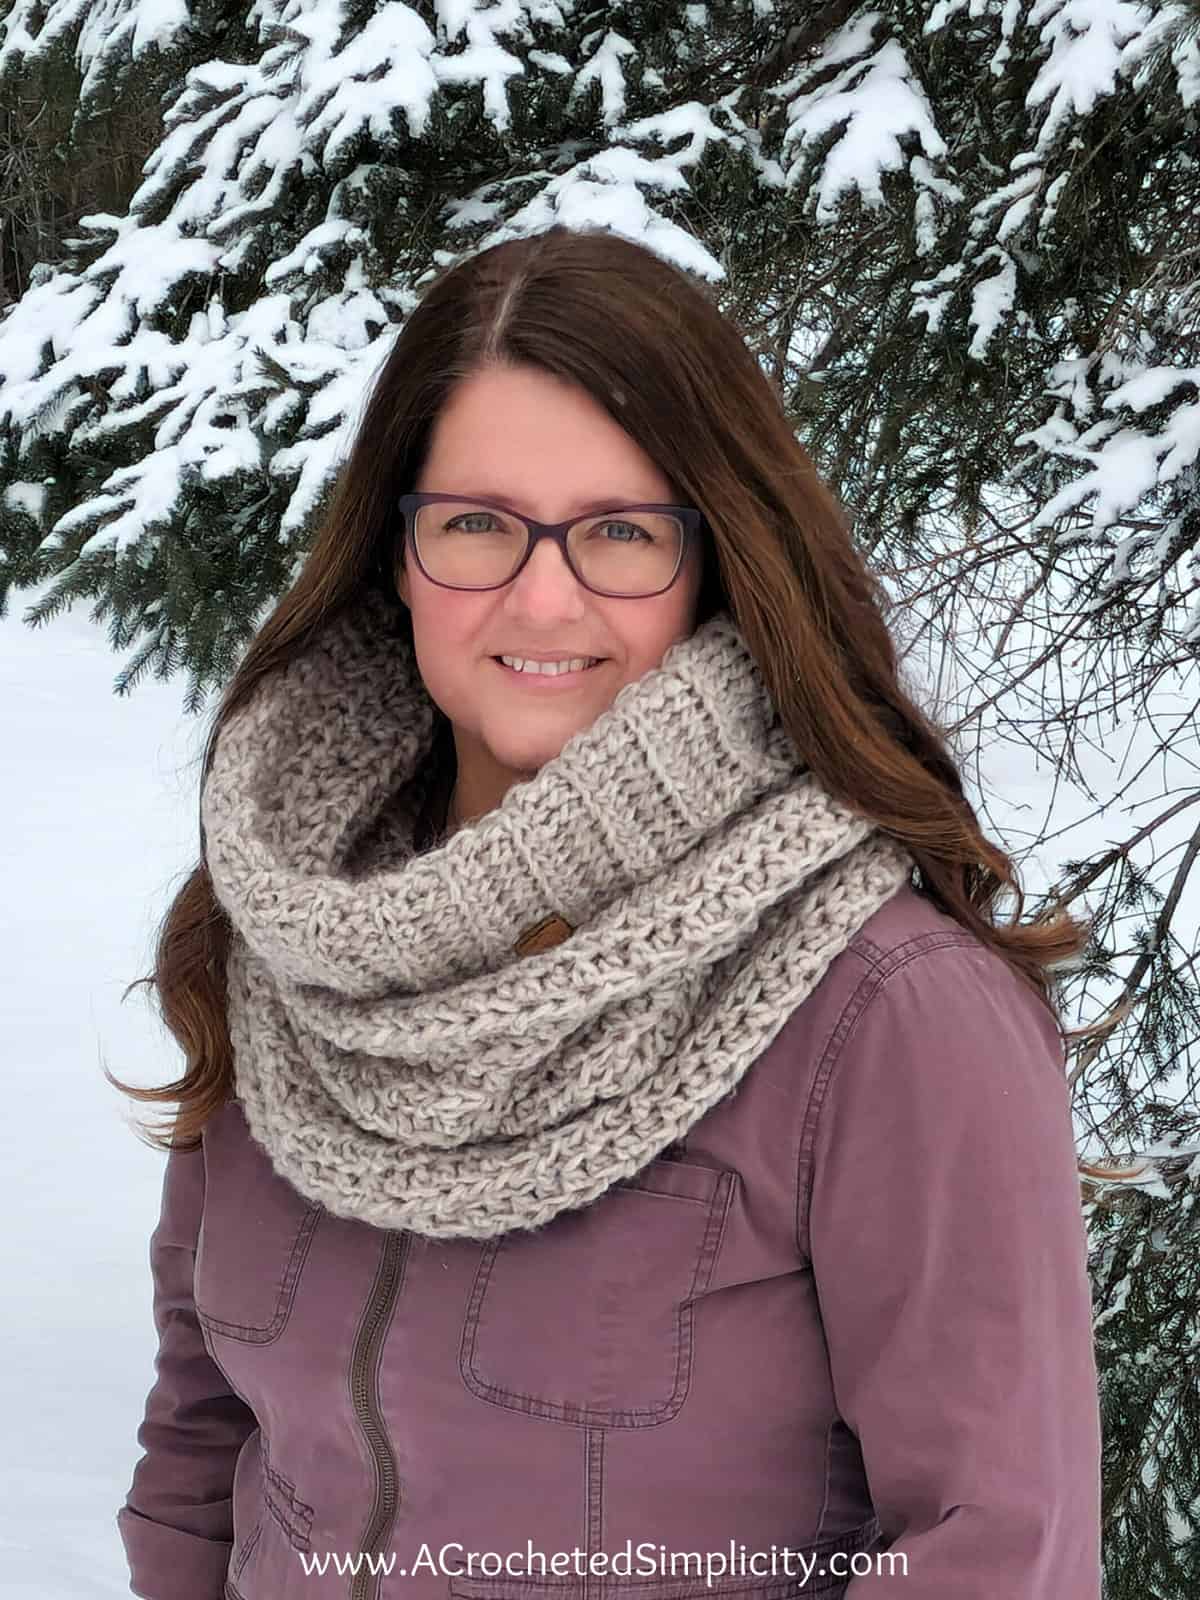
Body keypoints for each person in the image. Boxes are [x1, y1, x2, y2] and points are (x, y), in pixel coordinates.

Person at [112, 224, 1104, 1600]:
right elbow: (202, 1443)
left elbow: (995, 1554)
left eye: (621, 531)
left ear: (717, 558)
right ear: (396, 550)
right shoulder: (282, 937)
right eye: (476, 523)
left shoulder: (890, 1013)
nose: (541, 594)